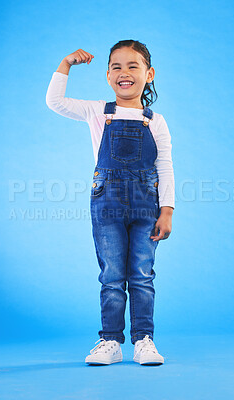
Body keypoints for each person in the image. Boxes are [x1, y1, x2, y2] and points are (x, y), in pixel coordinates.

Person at [46, 39, 175, 366]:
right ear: (107, 75)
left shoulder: (155, 120)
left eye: (133, 66)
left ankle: (143, 340)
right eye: (116, 66)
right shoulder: (96, 111)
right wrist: (66, 64)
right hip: (108, 206)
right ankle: (111, 342)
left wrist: (168, 210)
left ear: (150, 74)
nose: (125, 72)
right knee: (112, 275)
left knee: (142, 275)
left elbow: (165, 165)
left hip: (148, 206)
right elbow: (55, 102)